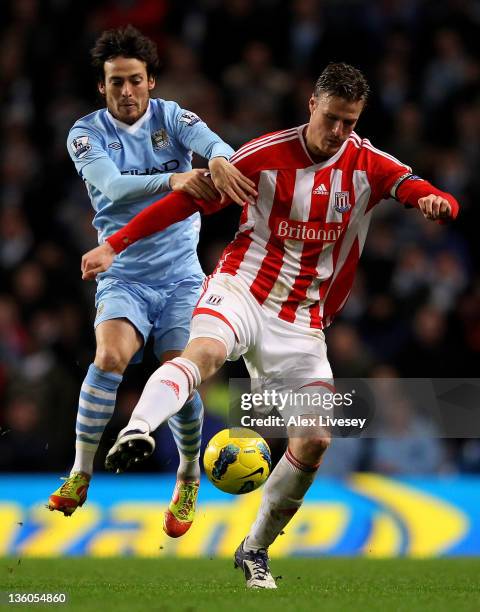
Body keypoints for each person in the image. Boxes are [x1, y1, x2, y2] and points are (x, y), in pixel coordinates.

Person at [80, 63, 459, 587]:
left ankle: (254, 548)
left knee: (315, 439)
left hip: (303, 320)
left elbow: (423, 189)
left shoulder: (368, 164)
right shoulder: (260, 156)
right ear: (311, 105)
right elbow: (185, 200)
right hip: (241, 287)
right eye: (331, 118)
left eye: (349, 122)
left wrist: (437, 202)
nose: (338, 132)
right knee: (204, 354)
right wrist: (113, 244)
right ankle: (138, 428)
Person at [47, 25, 257, 541]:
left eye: (134, 80)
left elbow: (219, 147)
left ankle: (188, 477)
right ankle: (80, 472)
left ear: (150, 81)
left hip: (182, 277)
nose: (125, 91)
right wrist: (176, 178)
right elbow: (114, 186)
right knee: (109, 359)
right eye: (115, 82)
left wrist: (219, 160)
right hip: (124, 274)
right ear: (102, 86)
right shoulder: (86, 133)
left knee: (177, 368)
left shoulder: (173, 117)